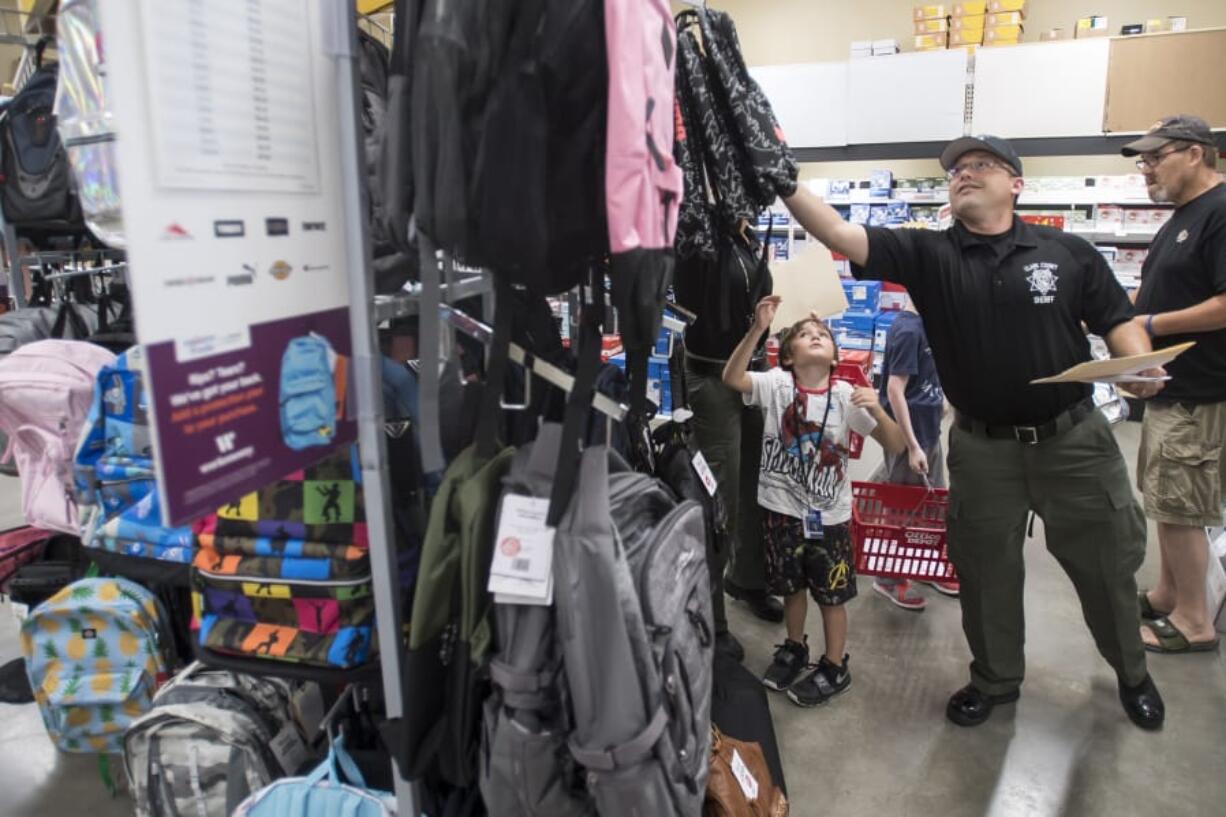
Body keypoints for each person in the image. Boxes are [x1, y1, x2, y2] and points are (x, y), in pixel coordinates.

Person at [780, 134, 1167, 730]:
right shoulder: (930, 255)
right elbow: (838, 234)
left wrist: (1136, 367)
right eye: (955, 169)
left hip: (1074, 442)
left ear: (1016, 183)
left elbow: (1118, 321)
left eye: (980, 164)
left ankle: (1133, 673)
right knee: (984, 571)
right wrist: (782, 178)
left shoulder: (1068, 252)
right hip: (983, 448)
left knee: (1106, 563)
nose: (963, 173)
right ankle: (994, 678)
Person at [723, 296, 906, 706]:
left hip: (831, 518)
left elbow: (893, 444)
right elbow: (732, 378)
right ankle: (795, 647)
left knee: (833, 593)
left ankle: (835, 664)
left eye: (822, 333)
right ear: (788, 356)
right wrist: (757, 330)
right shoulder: (775, 385)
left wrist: (879, 408)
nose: (816, 335)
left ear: (835, 353)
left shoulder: (846, 396)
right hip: (781, 512)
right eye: (805, 335)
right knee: (791, 587)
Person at [1123, 115, 1226, 653]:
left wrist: (1152, 325)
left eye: (1153, 158)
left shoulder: (1221, 212)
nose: (1146, 170)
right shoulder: (1184, 217)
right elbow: (1153, 292)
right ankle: (1168, 593)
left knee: (1183, 507)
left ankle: (1193, 621)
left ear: (1194, 153)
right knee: (1165, 500)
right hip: (1173, 388)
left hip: (1202, 392)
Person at [869, 295, 959, 611]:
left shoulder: (929, 324)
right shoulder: (908, 330)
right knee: (901, 508)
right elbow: (894, 389)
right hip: (911, 436)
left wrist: (943, 401)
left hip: (928, 429)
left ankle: (923, 566)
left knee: (933, 504)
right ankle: (887, 579)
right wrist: (912, 445)